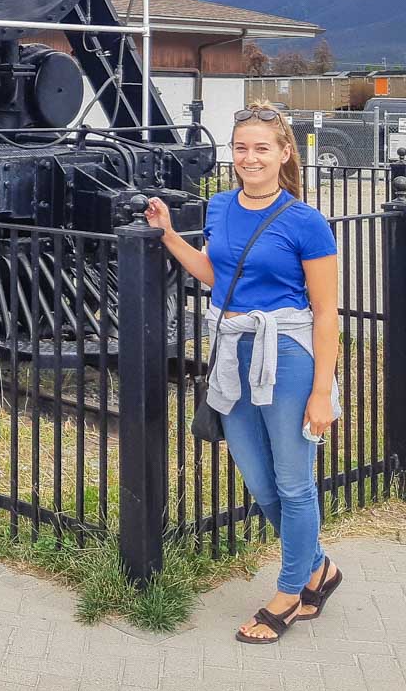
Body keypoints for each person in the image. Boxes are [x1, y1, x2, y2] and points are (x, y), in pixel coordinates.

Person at [145, 102, 342, 643]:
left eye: (261, 148)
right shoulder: (219, 206)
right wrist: (167, 235)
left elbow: (326, 312)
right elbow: (217, 273)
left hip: (288, 358)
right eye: (240, 148)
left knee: (294, 482)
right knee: (258, 479)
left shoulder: (306, 222)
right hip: (233, 355)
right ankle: (319, 568)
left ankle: (290, 593)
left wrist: (321, 391)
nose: (249, 158)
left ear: (284, 154)